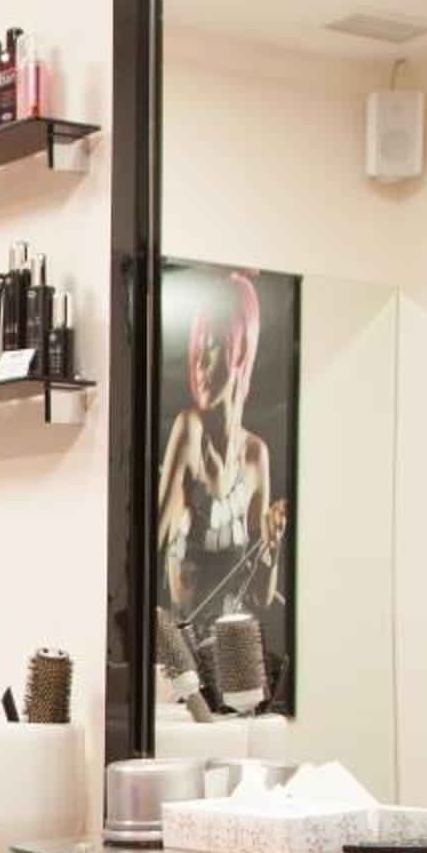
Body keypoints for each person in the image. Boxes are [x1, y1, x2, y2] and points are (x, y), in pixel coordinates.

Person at [156, 269, 289, 649]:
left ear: (240, 350)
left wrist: (273, 545)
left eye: (213, 346)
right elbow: (148, 548)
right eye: (198, 348)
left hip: (234, 654)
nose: (199, 362)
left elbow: (262, 596)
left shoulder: (256, 456)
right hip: (181, 652)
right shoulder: (189, 433)